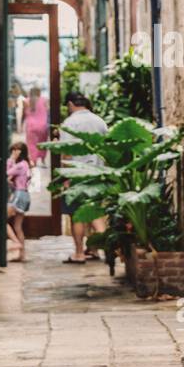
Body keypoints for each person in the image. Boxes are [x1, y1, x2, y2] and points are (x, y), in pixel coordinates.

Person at [60, 91, 108, 264]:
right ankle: (96, 249)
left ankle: (79, 253)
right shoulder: (99, 121)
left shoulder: (69, 123)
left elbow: (65, 152)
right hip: (97, 173)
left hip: (76, 174)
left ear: (71, 104)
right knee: (95, 210)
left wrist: (64, 176)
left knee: (78, 215)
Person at [6, 139, 31, 262]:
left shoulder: (20, 165)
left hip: (19, 195)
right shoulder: (26, 164)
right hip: (25, 195)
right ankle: (22, 255)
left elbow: (6, 173)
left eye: (14, 151)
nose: (13, 153)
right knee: (17, 226)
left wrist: (11, 159)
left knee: (1, 219)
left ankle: (16, 243)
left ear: (19, 152)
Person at [24, 85, 49, 166]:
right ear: (39, 92)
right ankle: (43, 160)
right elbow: (48, 110)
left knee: (31, 144)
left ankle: (34, 161)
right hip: (43, 125)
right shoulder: (44, 100)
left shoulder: (26, 101)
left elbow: (24, 114)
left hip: (31, 126)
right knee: (43, 143)